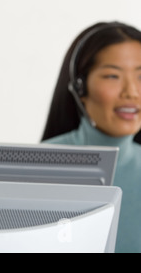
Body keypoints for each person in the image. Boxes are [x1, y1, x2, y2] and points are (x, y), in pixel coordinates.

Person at [41, 21, 141, 253]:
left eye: (140, 76)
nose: (132, 92)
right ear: (80, 88)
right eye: (112, 76)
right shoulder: (42, 163)